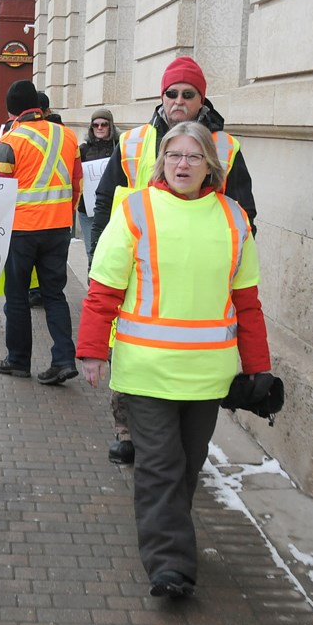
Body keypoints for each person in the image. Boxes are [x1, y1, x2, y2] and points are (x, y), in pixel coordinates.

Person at [76, 121, 271, 598]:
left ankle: (168, 536)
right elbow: (103, 291)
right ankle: (170, 566)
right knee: (160, 465)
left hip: (208, 374)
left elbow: (247, 302)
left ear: (211, 164)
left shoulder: (232, 217)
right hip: (147, 371)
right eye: (174, 156)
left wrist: (257, 367)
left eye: (193, 156)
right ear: (162, 161)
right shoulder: (136, 211)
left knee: (187, 466)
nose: (183, 164)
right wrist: (92, 351)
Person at [89, 56, 259, 466]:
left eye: (189, 94)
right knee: (129, 351)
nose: (179, 101)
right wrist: (99, 254)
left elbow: (245, 214)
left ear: (202, 99)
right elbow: (103, 200)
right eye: (171, 93)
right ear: (161, 96)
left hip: (193, 274)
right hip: (134, 265)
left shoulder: (226, 147)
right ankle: (127, 430)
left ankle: (168, 442)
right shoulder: (132, 142)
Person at [0, 80, 82, 386]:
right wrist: (65, 215)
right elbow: (77, 184)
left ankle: (18, 360)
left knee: (16, 296)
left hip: (21, 231)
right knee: (55, 295)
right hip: (58, 228)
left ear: (12, 110)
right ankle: (64, 360)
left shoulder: (9, 141)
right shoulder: (68, 136)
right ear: (40, 107)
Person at [26, 90, 63, 309]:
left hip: (28, 220)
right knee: (55, 293)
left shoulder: (17, 135)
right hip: (57, 221)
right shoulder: (65, 135)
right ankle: (63, 344)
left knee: (19, 289)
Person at [77, 108, 120, 270]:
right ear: (91, 127)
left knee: (111, 251)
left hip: (112, 208)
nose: (100, 128)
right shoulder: (83, 150)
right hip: (87, 210)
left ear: (111, 126)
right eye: (96, 125)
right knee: (92, 251)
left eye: (104, 124)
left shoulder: (119, 148)